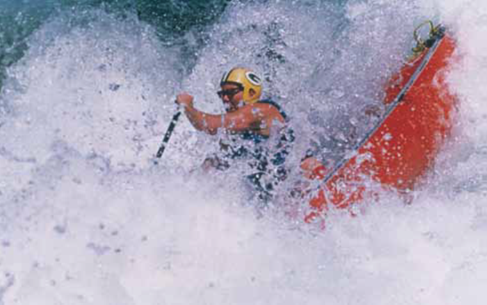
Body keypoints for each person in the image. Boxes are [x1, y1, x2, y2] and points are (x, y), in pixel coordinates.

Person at [175, 67, 294, 201]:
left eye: (231, 92)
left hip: (305, 187)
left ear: (251, 92)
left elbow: (209, 125)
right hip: (276, 196)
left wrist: (188, 106)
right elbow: (211, 165)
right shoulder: (236, 134)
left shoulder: (265, 110)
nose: (225, 98)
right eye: (222, 94)